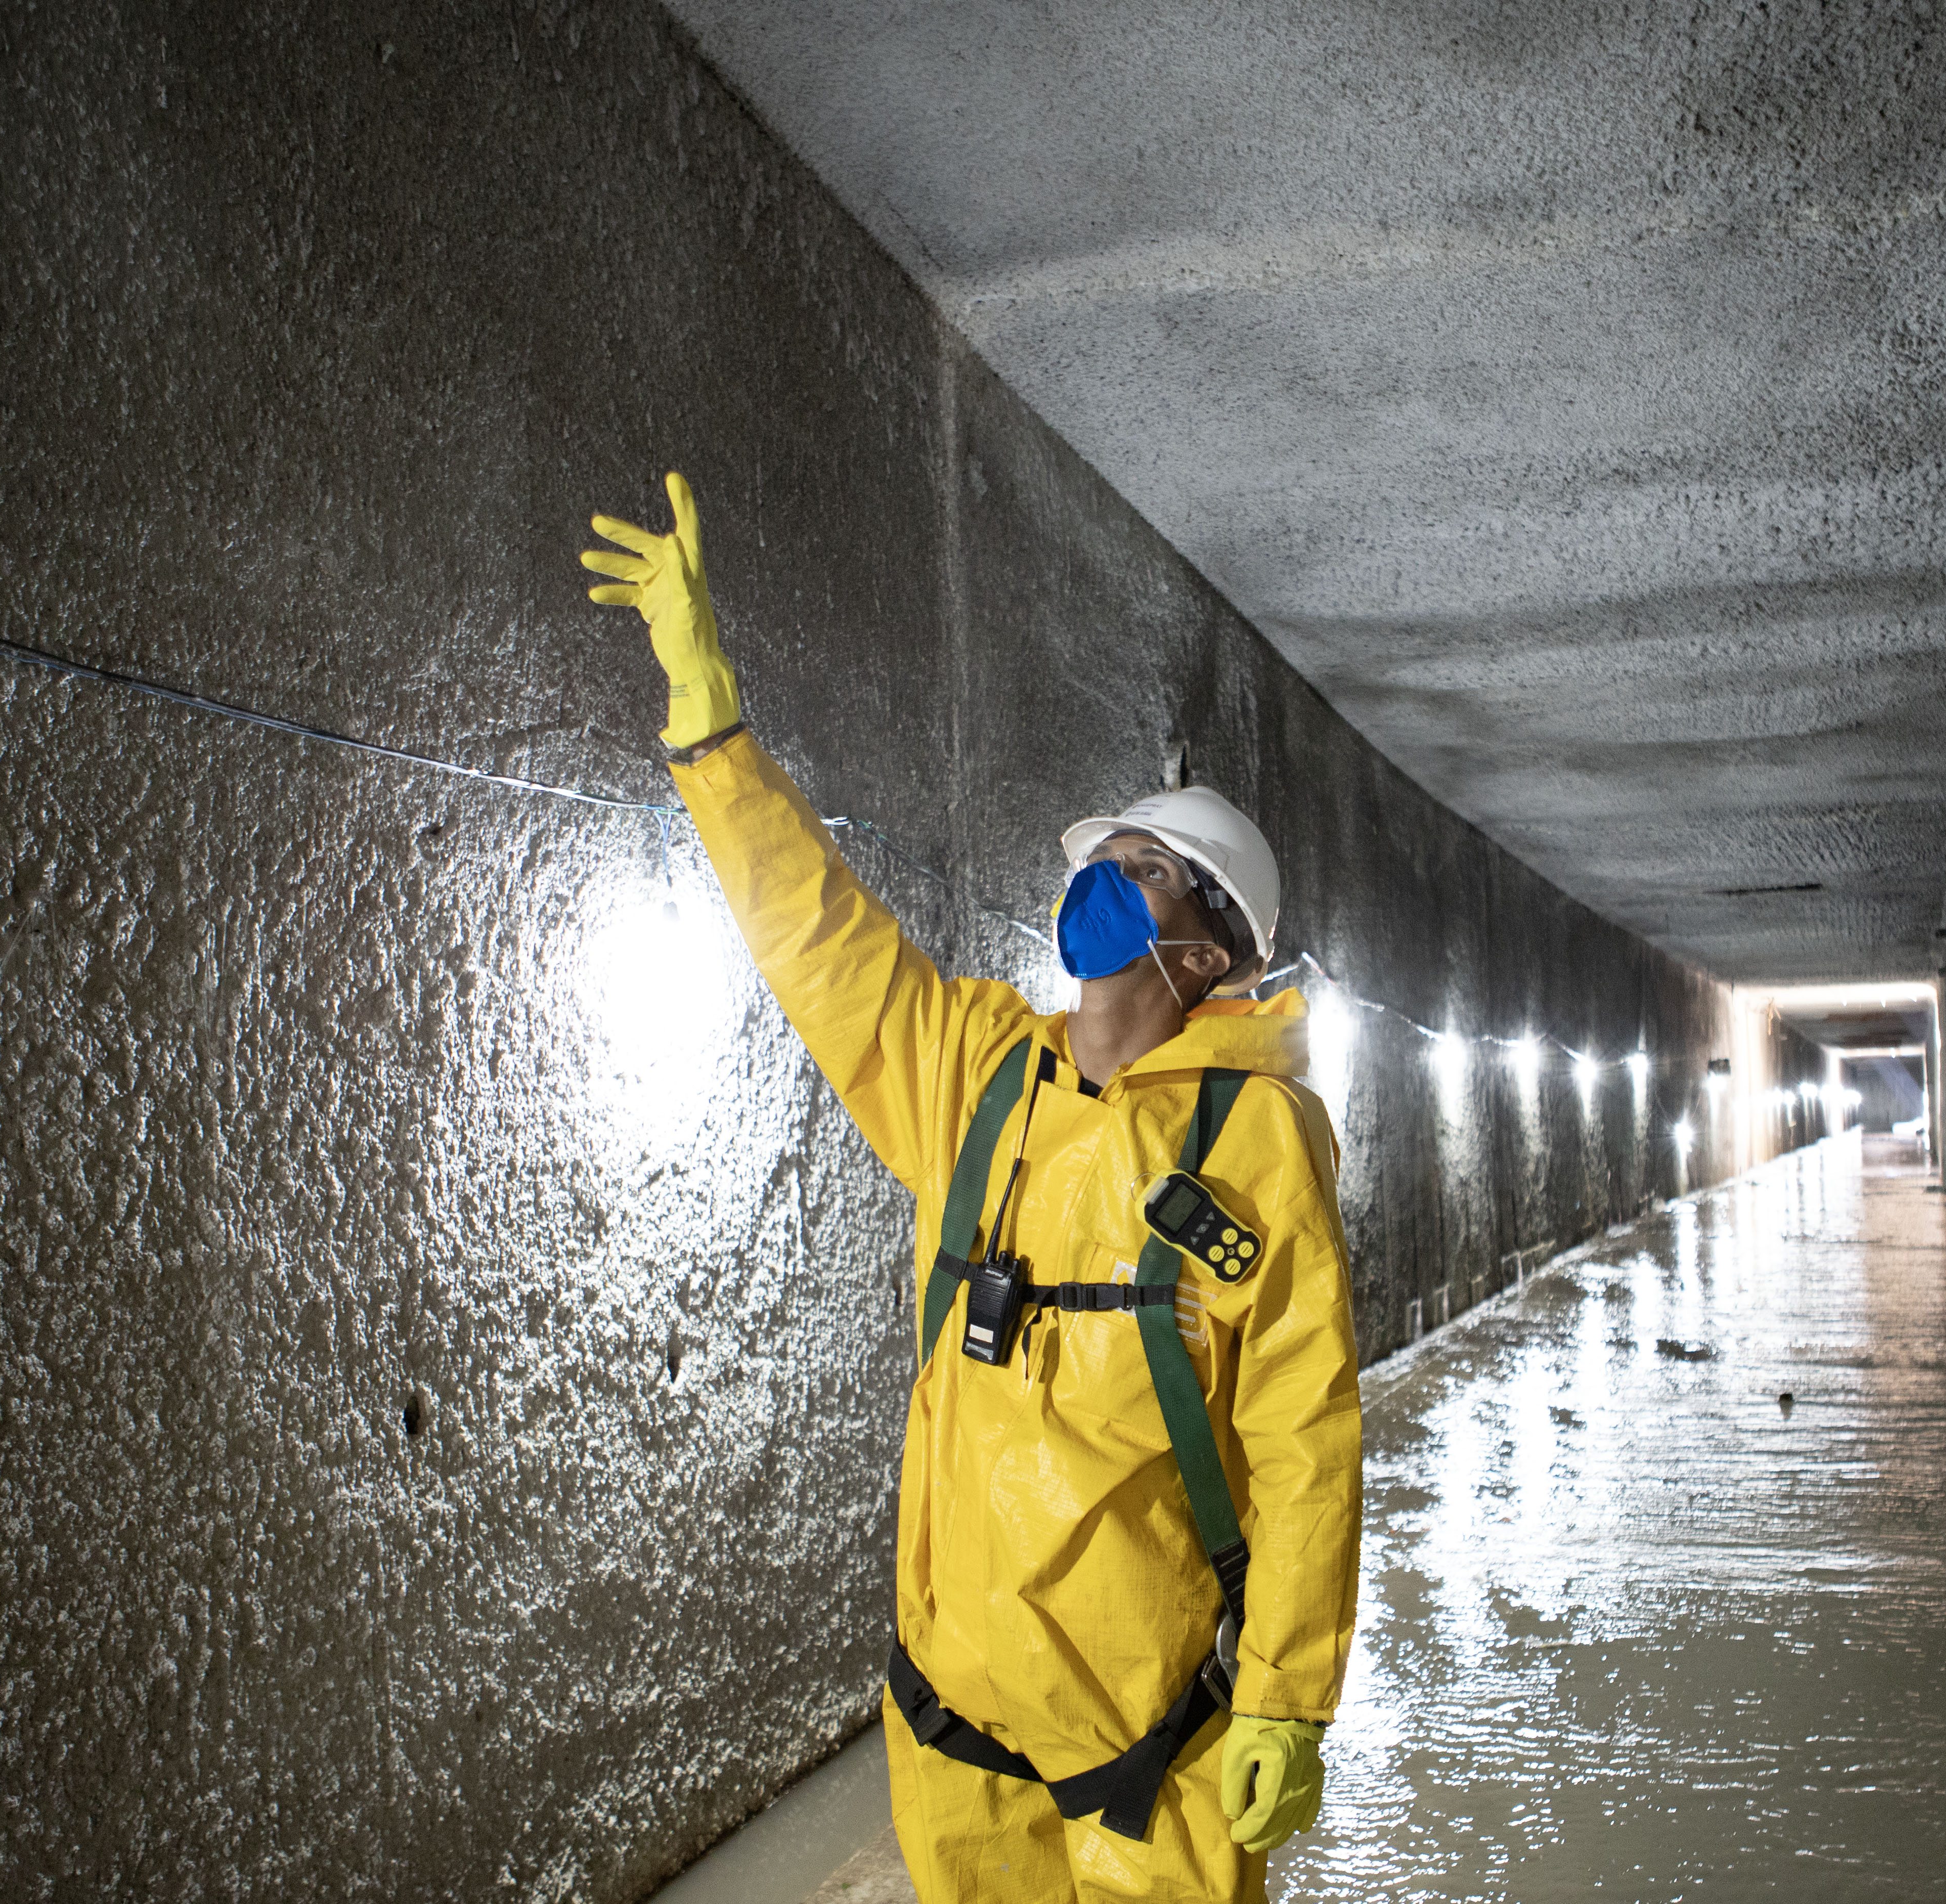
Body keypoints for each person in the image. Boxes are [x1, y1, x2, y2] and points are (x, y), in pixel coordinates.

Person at [584, 473, 1362, 1902]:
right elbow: (821, 940)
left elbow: (1304, 1434)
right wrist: (709, 718)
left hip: (1155, 1746)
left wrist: (1285, 1694)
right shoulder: (977, 1073)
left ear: (1208, 953)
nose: (1104, 885)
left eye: (1143, 871)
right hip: (955, 1727)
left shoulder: (1255, 1139)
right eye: (1104, 861)